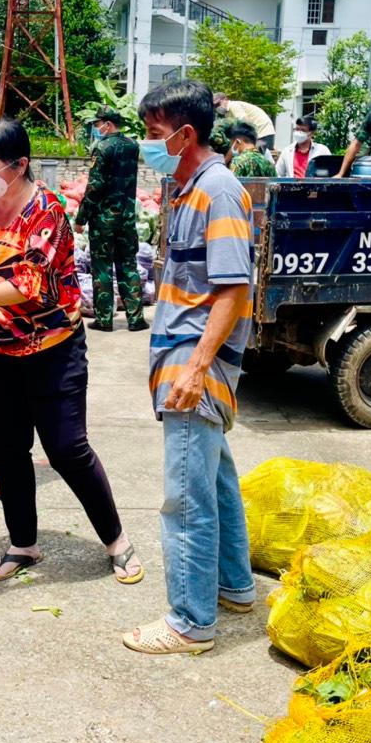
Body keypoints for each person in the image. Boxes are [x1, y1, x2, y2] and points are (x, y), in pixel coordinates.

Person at [0, 117, 144, 584]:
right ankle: (23, 542)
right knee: (9, 450)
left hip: (53, 350)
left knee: (67, 448)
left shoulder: (46, 209)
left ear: (19, 164)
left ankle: (117, 541)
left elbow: (29, 284)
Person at [123, 79, 255, 656]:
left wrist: (196, 368)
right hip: (186, 356)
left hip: (194, 363)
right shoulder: (189, 187)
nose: (148, 146)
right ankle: (233, 585)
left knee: (186, 495)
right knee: (216, 479)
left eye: (154, 136)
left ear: (185, 135)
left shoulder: (217, 192)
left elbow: (231, 290)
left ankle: (190, 621)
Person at [74, 107, 147, 333]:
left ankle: (105, 319)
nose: (96, 128)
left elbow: (95, 186)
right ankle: (136, 319)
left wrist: (81, 217)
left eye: (98, 124)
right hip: (126, 217)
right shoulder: (132, 146)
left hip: (104, 219)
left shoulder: (102, 148)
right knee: (128, 265)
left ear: (107, 124)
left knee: (102, 267)